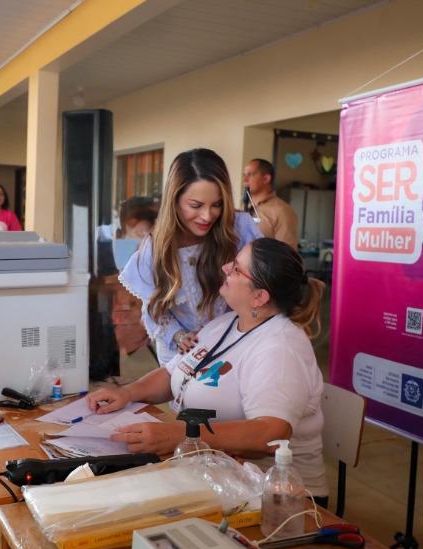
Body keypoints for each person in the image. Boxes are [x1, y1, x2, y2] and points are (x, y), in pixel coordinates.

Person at [88, 238, 328, 502]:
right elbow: (173, 373)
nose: (225, 267)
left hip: (278, 500)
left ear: (259, 296)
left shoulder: (279, 349)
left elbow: (271, 433)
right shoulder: (227, 323)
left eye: (236, 268)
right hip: (214, 472)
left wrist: (182, 436)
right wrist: (128, 393)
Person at [119, 148, 262, 366]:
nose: (207, 216)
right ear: (174, 201)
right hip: (180, 353)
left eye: (217, 205)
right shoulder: (156, 247)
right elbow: (153, 307)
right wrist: (177, 336)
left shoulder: (240, 227)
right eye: (195, 205)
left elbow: (261, 286)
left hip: (233, 343)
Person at [242, 158, 299, 250]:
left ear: (266, 179)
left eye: (250, 174)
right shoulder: (244, 206)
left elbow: (287, 254)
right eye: (244, 175)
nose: (245, 180)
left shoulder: (282, 211)